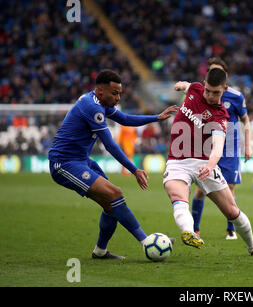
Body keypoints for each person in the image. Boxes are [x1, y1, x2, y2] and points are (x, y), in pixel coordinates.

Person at [48, 69, 178, 259]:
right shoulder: (92, 108)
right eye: (114, 93)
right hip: (64, 163)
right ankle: (146, 241)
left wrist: (156, 117)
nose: (118, 97)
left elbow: (124, 119)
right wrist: (134, 170)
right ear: (100, 91)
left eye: (120, 93)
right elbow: (110, 145)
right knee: (115, 194)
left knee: (111, 204)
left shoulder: (99, 102)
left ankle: (100, 251)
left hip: (82, 161)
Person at [164, 67, 253, 256]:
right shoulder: (196, 89)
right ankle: (189, 232)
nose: (210, 96)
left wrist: (210, 166)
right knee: (178, 198)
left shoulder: (220, 115)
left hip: (203, 164)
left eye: (216, 92)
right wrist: (180, 85)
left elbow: (218, 145)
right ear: (204, 85)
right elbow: (188, 86)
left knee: (232, 211)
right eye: (208, 90)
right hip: (177, 162)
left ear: (224, 89)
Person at [174, 57, 252, 240]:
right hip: (208, 144)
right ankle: (196, 228)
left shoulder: (236, 96)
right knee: (201, 189)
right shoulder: (202, 92)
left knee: (230, 187)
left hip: (230, 145)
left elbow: (246, 121)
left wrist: (248, 144)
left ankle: (230, 230)